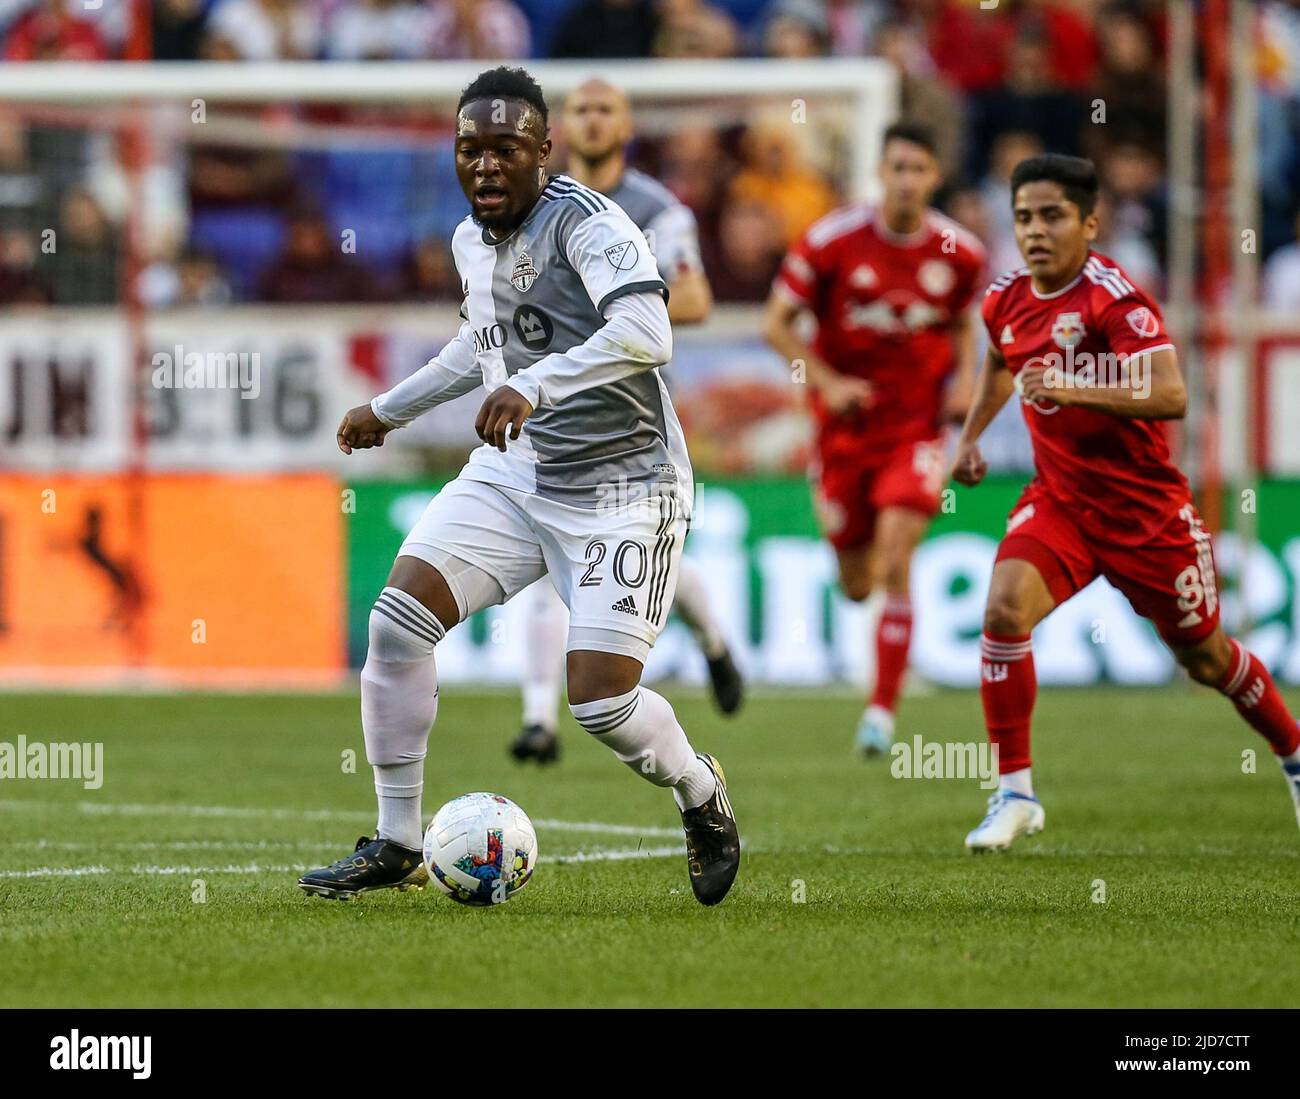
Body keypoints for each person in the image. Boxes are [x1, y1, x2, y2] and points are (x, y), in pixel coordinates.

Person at [301, 67, 740, 906]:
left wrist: (536, 385)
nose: (488, 165)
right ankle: (397, 840)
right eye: (471, 149)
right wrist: (389, 411)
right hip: (519, 471)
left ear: (545, 150)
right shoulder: (472, 239)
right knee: (396, 624)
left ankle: (699, 790)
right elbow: (480, 344)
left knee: (601, 705)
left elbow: (650, 332)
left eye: (507, 148)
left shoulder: (591, 222)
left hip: (625, 484)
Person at [953, 153, 1300, 852]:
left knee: (1207, 660)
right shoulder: (1004, 297)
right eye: (1023, 217)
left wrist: (1074, 387)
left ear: (1090, 222)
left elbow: (1172, 394)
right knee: (1001, 611)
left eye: (1052, 216)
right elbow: (1001, 356)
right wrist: (970, 436)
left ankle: (1294, 755)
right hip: (1062, 502)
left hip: (1146, 516)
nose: (1035, 231)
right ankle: (1016, 792)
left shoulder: (1115, 301)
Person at [510, 76, 743, 767]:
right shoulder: (534, 204)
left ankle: (713, 640)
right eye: (579, 108)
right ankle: (537, 720)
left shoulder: (656, 210)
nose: (591, 119)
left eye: (604, 108)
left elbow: (696, 299)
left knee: (630, 559)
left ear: (626, 124)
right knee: (557, 552)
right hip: (550, 407)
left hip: (631, 415)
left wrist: (615, 310)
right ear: (559, 127)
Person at [762, 122, 985, 756]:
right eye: (898, 168)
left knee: (895, 558)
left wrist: (965, 382)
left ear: (934, 178)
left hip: (914, 427)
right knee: (857, 580)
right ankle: (881, 679)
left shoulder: (959, 251)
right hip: (843, 433)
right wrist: (826, 383)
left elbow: (966, 323)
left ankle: (882, 712)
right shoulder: (832, 241)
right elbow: (776, 324)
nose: (907, 180)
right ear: (879, 174)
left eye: (919, 169)